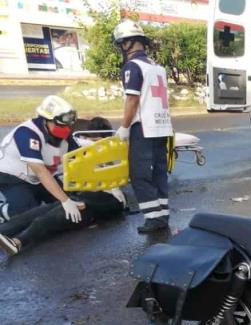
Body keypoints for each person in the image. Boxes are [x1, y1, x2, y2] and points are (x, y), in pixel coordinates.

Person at [0, 117, 126, 257]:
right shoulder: (82, 147)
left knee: (46, 218)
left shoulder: (115, 195)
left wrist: (81, 202)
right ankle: (4, 231)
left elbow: (109, 204)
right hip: (15, 176)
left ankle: (18, 242)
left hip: (88, 206)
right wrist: (68, 200)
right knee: (35, 213)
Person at [113, 19, 174, 234]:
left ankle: (153, 218)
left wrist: (124, 126)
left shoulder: (132, 66)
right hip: (162, 126)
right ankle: (163, 214)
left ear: (127, 43)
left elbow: (132, 100)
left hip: (144, 127)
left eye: (121, 43)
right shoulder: (158, 67)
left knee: (139, 174)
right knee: (159, 172)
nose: (121, 47)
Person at [0, 95, 84, 225]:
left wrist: (106, 186)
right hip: (12, 177)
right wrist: (64, 200)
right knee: (29, 215)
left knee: (71, 201)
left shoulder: (64, 132)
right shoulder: (27, 133)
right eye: (61, 126)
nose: (66, 130)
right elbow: (40, 171)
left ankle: (33, 197)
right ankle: (4, 210)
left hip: (39, 176)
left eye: (68, 126)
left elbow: (81, 159)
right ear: (46, 120)